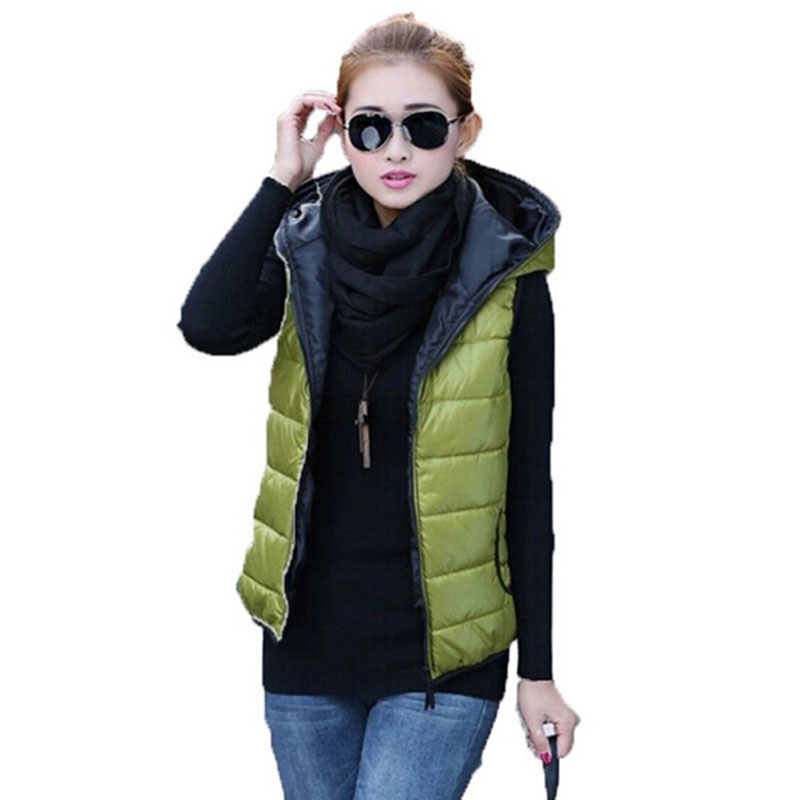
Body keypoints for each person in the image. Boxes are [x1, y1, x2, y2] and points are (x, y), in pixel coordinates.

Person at [178, 12, 580, 800]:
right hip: (307, 644)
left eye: (422, 126)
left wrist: (538, 671)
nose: (396, 150)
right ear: (345, 136)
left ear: (465, 133)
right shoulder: (304, 246)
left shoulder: (509, 281)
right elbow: (209, 326)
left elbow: (528, 484)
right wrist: (282, 179)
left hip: (442, 657)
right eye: (370, 127)